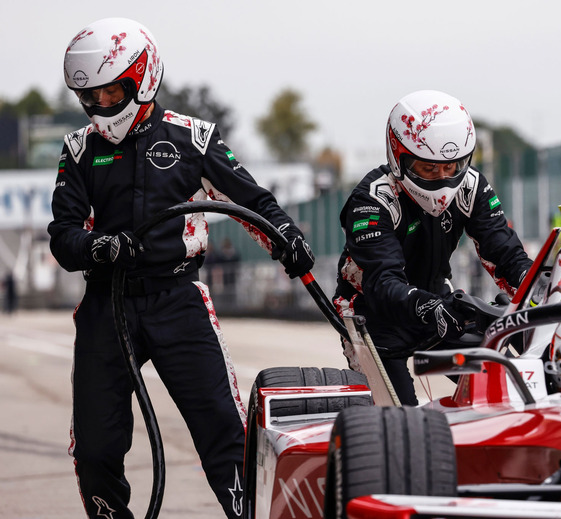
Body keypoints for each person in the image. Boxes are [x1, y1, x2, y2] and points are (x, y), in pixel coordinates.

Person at [48, 18, 314, 519]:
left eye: (110, 92)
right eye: (89, 96)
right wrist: (100, 246)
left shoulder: (194, 138)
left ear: (142, 77)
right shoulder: (79, 150)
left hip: (179, 301)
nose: (100, 106)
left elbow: (252, 200)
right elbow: (63, 237)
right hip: (107, 306)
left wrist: (288, 238)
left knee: (225, 431)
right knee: (96, 448)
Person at [332, 90, 534, 405]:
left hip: (440, 306)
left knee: (507, 391)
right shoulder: (372, 200)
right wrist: (427, 307)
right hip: (373, 317)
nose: (443, 178)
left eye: (452, 166)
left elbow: (505, 253)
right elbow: (383, 282)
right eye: (429, 168)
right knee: (399, 421)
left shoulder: (473, 187)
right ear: (400, 157)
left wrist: (536, 284)